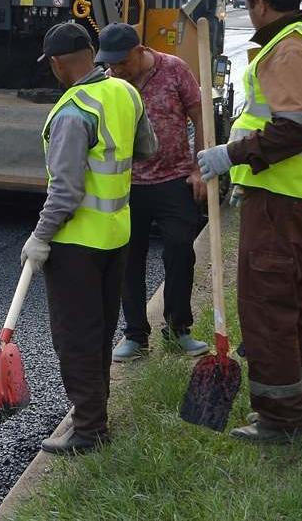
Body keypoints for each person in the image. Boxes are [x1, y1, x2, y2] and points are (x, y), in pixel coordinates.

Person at [196, 0, 302, 443]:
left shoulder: (291, 49)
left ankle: (282, 420)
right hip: (296, 198)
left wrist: (231, 155)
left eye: (250, 4)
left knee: (267, 310)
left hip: (284, 203)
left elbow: (294, 128)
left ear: (260, 2)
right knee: (291, 307)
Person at [20, 22, 158, 454]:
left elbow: (65, 191)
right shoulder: (125, 93)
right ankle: (95, 414)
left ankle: (89, 430)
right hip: (116, 237)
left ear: (57, 63)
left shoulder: (72, 111)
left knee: (75, 338)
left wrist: (39, 237)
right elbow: (148, 149)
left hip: (76, 245)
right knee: (99, 333)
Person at [99, 23, 210, 363]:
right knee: (128, 259)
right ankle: (136, 335)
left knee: (180, 250)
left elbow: (200, 116)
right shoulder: (111, 81)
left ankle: (178, 330)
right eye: (111, 63)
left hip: (174, 179)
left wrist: (199, 168)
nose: (116, 69)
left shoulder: (174, 70)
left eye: (122, 62)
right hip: (127, 184)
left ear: (140, 50)